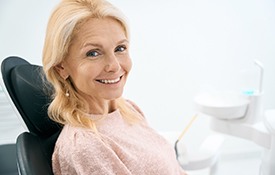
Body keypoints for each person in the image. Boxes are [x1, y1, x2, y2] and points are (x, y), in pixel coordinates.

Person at [42, 0, 187, 174]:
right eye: (93, 53)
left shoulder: (128, 110)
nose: (115, 66)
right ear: (61, 67)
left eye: (120, 48)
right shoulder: (85, 146)